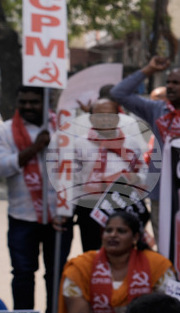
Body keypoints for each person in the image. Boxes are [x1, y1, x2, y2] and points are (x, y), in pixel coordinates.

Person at [52, 210, 174, 313]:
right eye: (108, 230)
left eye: (121, 231)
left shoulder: (157, 265)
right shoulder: (82, 266)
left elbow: (167, 311)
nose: (113, 235)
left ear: (135, 237)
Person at [0, 86, 73, 313]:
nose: (27, 107)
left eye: (34, 102)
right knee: (23, 274)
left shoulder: (63, 128)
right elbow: (1, 169)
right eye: (23, 101)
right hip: (22, 216)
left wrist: (68, 211)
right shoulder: (4, 131)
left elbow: (78, 169)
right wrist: (34, 149)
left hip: (58, 218)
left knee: (56, 274)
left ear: (44, 103)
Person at [110, 56, 180, 229]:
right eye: (168, 82)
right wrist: (149, 70)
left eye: (177, 83)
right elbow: (118, 93)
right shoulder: (157, 110)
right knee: (163, 247)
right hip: (160, 194)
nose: (170, 86)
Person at [56, 98, 151, 252]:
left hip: (123, 207)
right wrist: (66, 211)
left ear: (118, 117)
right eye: (100, 115)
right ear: (91, 118)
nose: (106, 119)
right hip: (90, 210)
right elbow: (72, 181)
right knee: (93, 255)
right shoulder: (80, 144)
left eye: (110, 115)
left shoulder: (131, 143)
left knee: (124, 255)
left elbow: (143, 171)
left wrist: (135, 178)